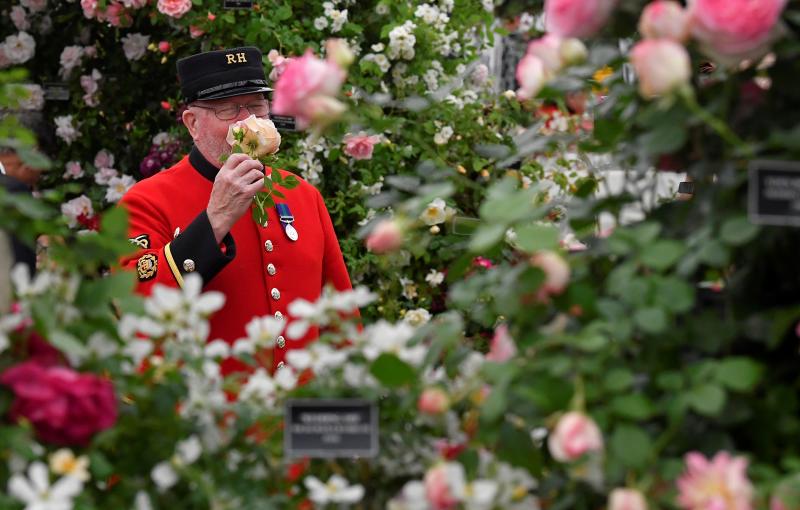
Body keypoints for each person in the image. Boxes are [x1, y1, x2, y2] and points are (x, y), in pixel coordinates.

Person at [119, 47, 354, 374]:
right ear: (192, 123)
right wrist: (215, 220)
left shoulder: (303, 195)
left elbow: (340, 316)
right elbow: (133, 304)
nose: (247, 121)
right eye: (228, 110)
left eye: (257, 106)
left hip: (301, 401)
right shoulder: (147, 201)